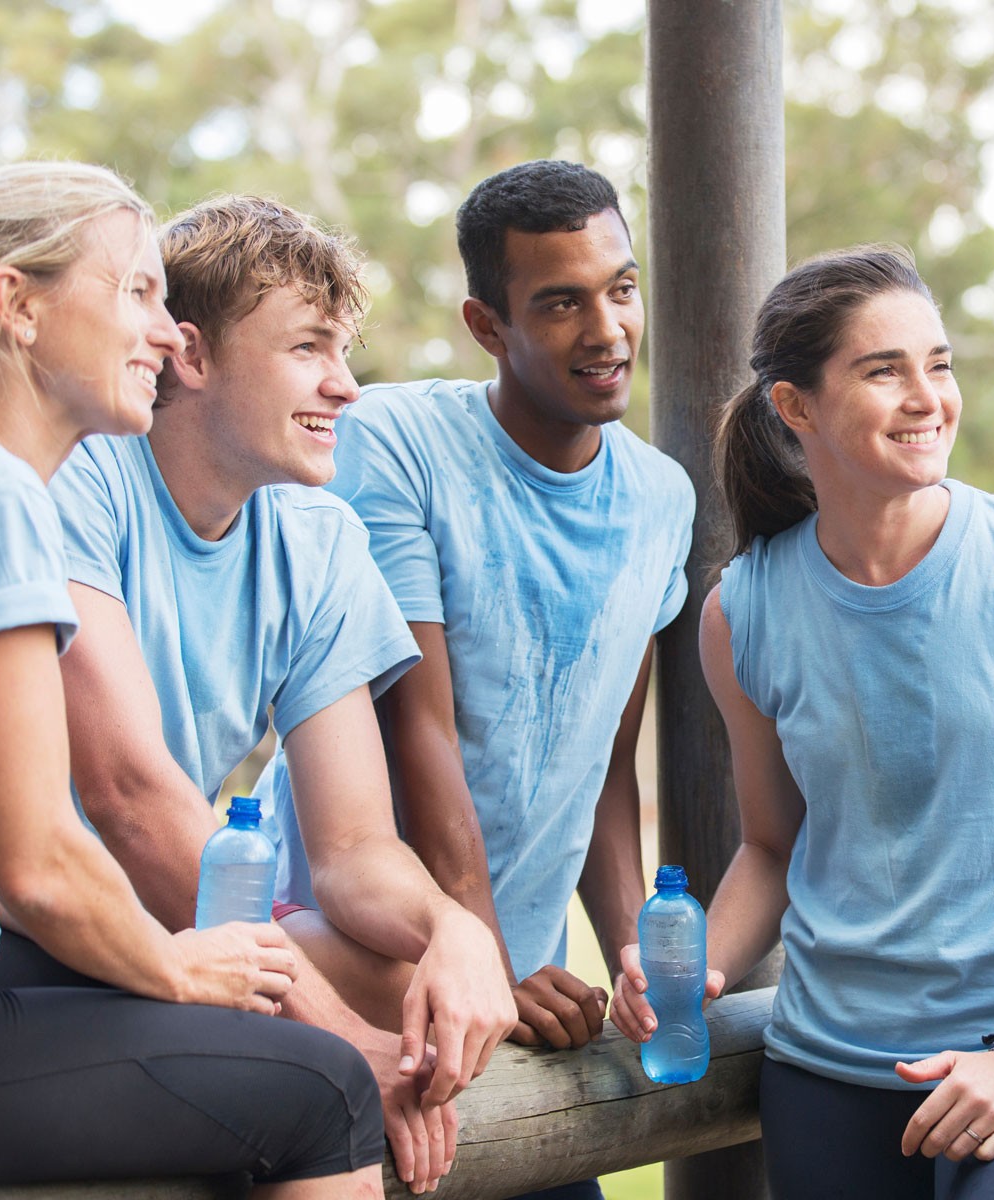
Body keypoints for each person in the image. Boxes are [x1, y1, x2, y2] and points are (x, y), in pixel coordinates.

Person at [610, 245, 994, 1199]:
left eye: (938, 364)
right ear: (795, 406)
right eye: (883, 370)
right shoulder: (742, 614)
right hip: (827, 1071)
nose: (927, 396)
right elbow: (774, 848)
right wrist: (700, 970)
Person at [0, 161, 382, 1195]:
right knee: (330, 1091)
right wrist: (181, 967)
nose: (169, 333)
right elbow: (35, 861)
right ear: (16, 305)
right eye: (136, 291)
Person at [46, 194, 520, 1195]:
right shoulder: (80, 476)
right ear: (192, 354)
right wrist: (342, 1042)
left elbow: (354, 852)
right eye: (310, 349)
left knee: (411, 988)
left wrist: (454, 931)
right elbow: (129, 801)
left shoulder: (320, 538)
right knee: (329, 1072)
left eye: (343, 352)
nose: (346, 387)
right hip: (40, 940)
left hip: (189, 933)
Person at [261, 160, 692, 1200]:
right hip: (354, 958)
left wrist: (632, 948)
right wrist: (483, 959)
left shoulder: (660, 499)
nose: (606, 329)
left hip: (519, 991)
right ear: (487, 326)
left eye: (620, 289)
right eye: (560, 303)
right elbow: (424, 730)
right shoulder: (400, 445)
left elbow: (604, 764)